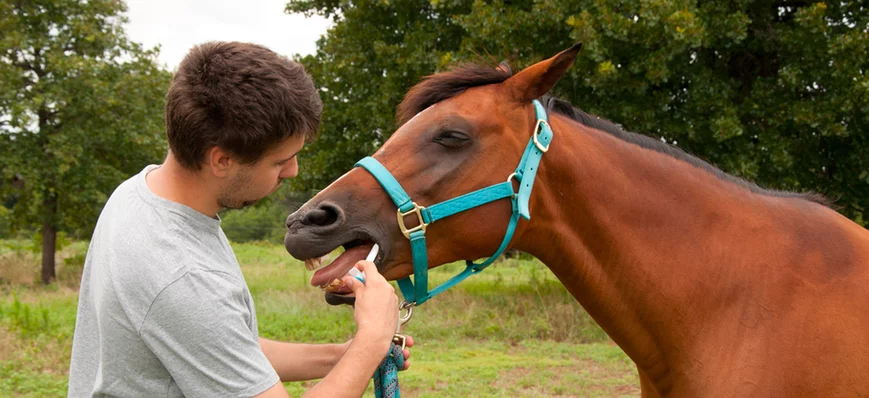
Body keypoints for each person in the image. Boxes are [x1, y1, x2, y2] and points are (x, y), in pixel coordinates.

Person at [68, 41, 412, 398]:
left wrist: (343, 357)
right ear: (222, 161)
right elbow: (200, 312)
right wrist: (371, 340)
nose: (293, 172)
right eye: (280, 161)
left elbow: (222, 347)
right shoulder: (184, 275)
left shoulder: (139, 193)